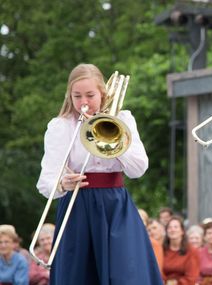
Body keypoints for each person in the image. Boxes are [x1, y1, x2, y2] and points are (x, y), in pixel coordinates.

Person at [36, 63, 162, 285]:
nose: (83, 102)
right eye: (77, 96)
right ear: (70, 96)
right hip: (77, 207)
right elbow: (45, 182)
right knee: (79, 276)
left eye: (90, 95)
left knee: (128, 275)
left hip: (116, 206)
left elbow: (139, 169)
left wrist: (113, 144)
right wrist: (63, 183)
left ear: (102, 94)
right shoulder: (61, 126)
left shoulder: (123, 119)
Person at [162, 216, 200, 285]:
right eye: (169, 227)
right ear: (166, 231)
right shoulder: (161, 250)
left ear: (182, 231)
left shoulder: (191, 251)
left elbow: (191, 277)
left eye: (176, 227)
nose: (172, 230)